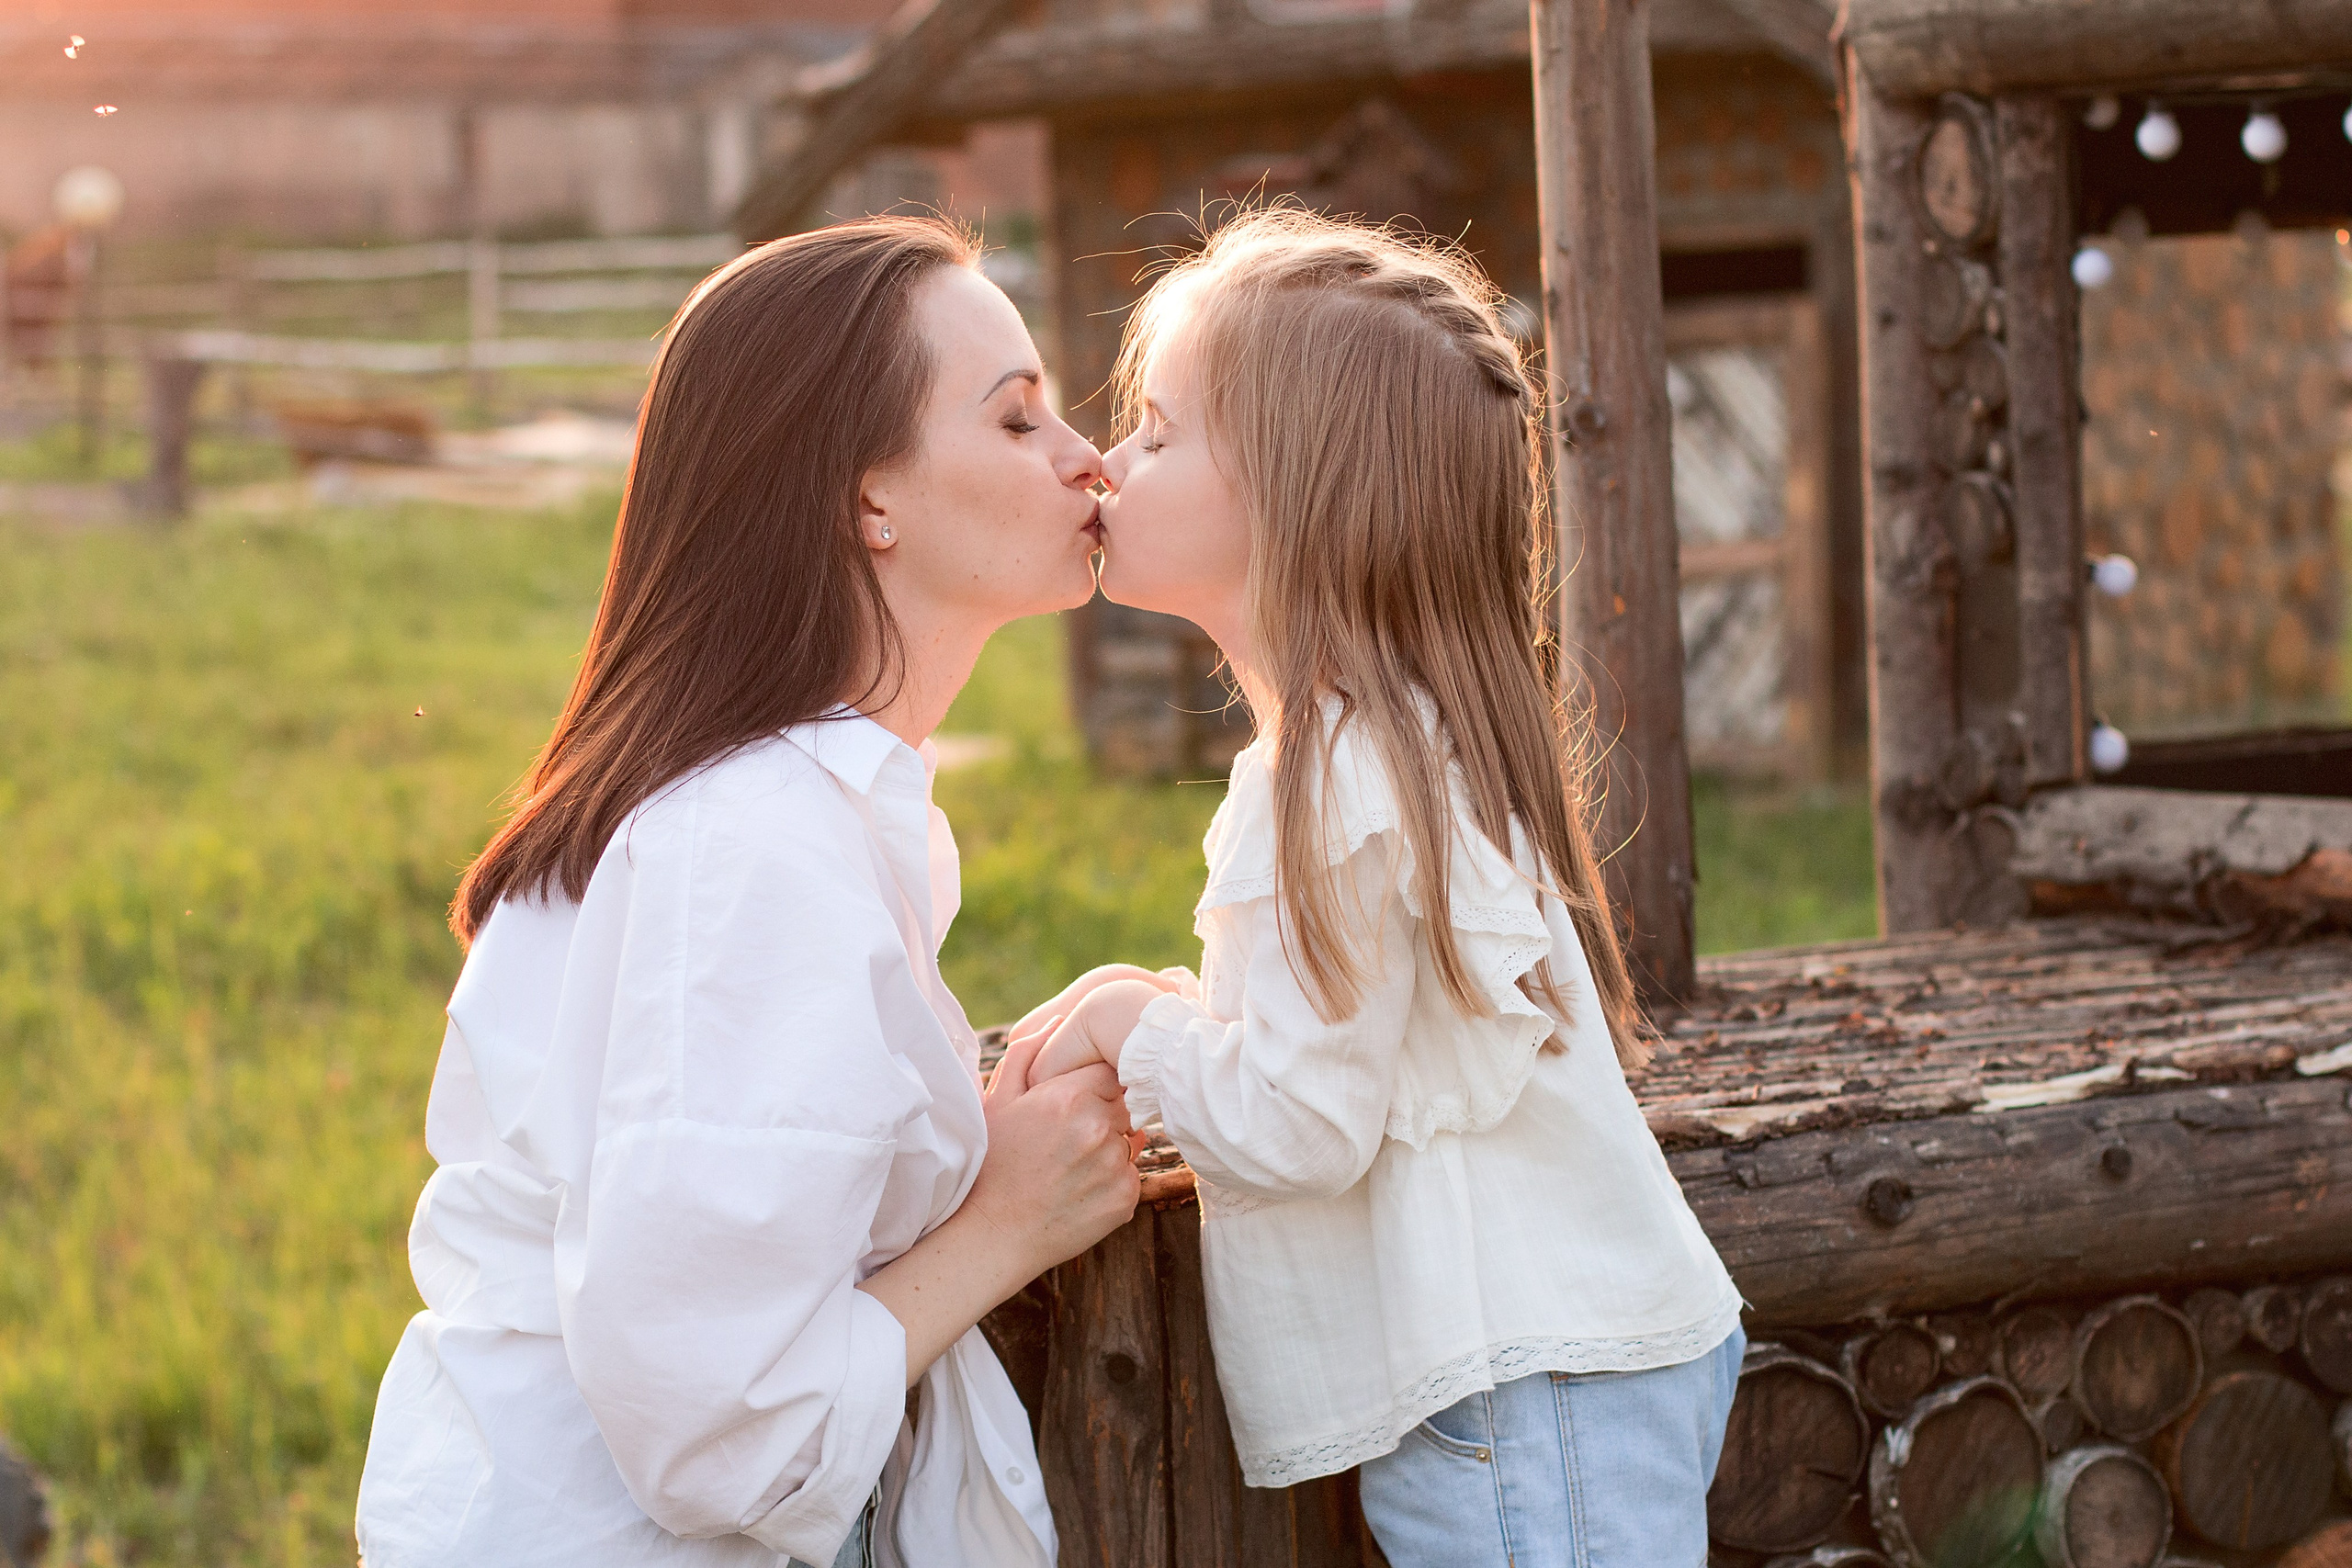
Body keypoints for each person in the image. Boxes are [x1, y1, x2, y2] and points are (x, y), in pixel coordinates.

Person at [356, 216, 1140, 1568]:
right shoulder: (750, 847)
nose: (1088, 460)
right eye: (1017, 423)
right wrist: (1009, 1221)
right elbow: (719, 1437)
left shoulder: (793, 808)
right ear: (867, 500)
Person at [1016, 208, 1746, 1567]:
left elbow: (1302, 1125)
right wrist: (1159, 1001)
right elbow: (1349, 1048)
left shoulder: (1336, 778)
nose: (1114, 464)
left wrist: (1132, 1028)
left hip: (1534, 1401)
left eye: (1161, 434)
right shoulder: (1384, 745)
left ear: (1300, 499)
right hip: (1556, 1378)